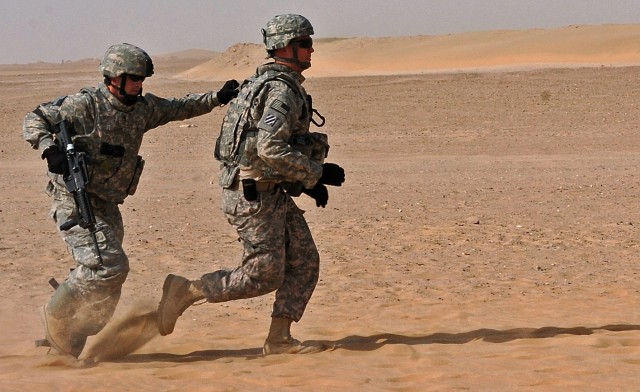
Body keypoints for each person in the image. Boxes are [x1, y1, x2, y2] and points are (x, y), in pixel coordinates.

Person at [23, 43, 239, 358]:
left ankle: (66, 345)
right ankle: (54, 314)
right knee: (110, 266)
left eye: (142, 78)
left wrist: (217, 98)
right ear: (114, 77)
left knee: (107, 283)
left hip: (107, 203)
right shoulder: (86, 106)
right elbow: (35, 117)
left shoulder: (142, 109)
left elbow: (178, 108)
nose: (140, 84)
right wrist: (48, 148)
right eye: (134, 77)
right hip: (73, 197)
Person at [156, 14, 346, 355]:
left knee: (304, 261)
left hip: (268, 190)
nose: (311, 49)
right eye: (304, 43)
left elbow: (262, 146)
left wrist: (306, 183)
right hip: (252, 196)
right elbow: (269, 147)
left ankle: (279, 340)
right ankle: (188, 291)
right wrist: (316, 174)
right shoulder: (280, 92)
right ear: (286, 47)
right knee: (263, 274)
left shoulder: (270, 84)